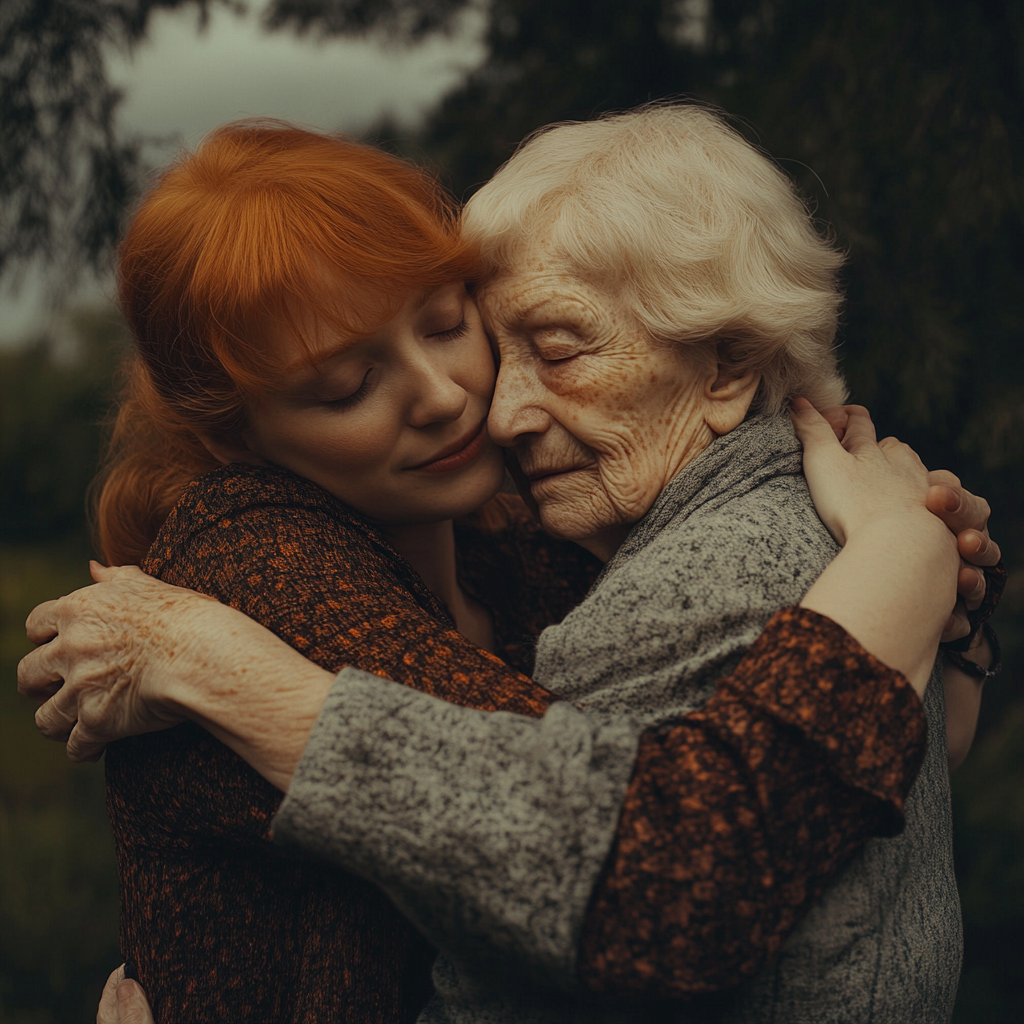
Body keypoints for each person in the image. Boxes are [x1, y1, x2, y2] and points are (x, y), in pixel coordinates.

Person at [19, 109, 1001, 1023]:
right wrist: (897, 560)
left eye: (450, 324)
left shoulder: (519, 540)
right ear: (246, 438)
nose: (454, 398)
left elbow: (805, 786)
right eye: (347, 386)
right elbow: (658, 864)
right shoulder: (257, 557)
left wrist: (948, 629)